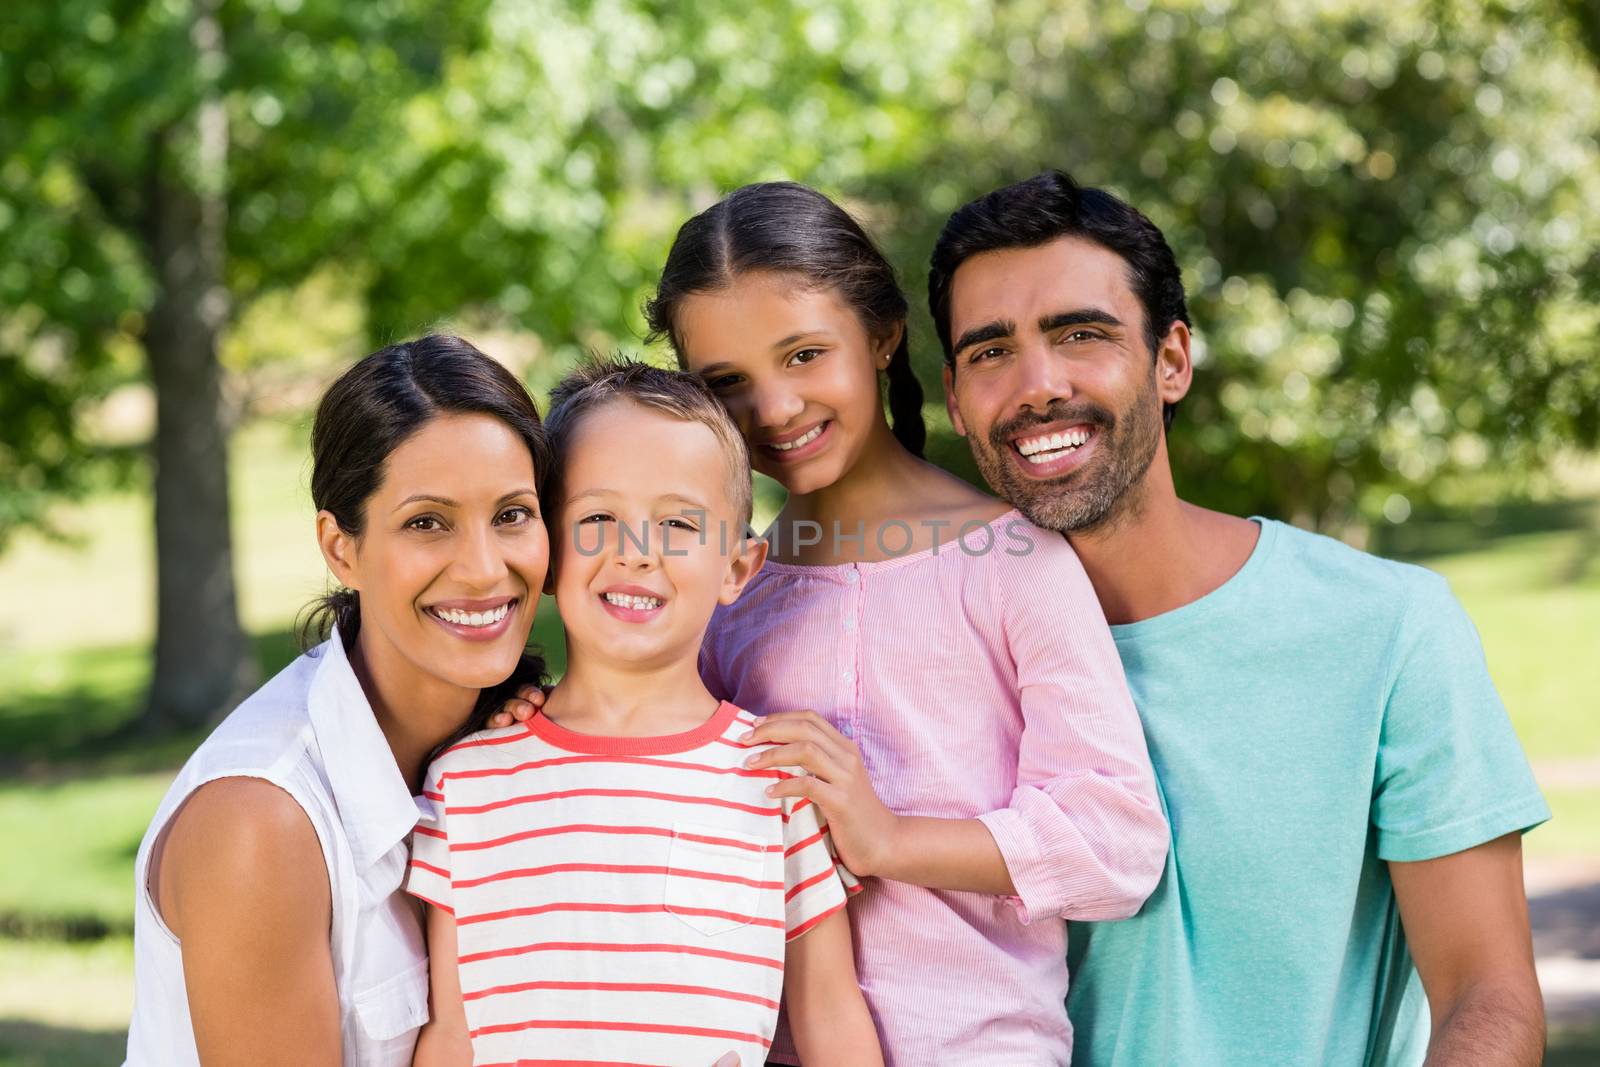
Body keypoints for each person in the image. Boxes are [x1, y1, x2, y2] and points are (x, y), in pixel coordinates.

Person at [930, 170, 1550, 1066]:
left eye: (1081, 334)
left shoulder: (1386, 627)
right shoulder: (914, 652)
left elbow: (1486, 999)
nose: (1037, 385)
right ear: (955, 398)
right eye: (991, 352)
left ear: (1172, 360)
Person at [645, 181, 1167, 1066]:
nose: (773, 409)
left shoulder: (1015, 566)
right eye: (726, 382)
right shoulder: (726, 599)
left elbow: (1115, 840)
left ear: (882, 334)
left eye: (805, 355)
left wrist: (887, 837)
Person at [407, 360, 883, 1067]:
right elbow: (450, 1031)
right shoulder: (465, 784)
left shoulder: (776, 783)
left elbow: (828, 1014)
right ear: (549, 546)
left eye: (679, 523)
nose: (636, 552)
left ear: (737, 567)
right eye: (599, 518)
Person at [123, 335, 554, 1066]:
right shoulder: (262, 820)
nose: (486, 569)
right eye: (427, 522)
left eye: (512, 513)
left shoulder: (514, 753)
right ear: (340, 546)